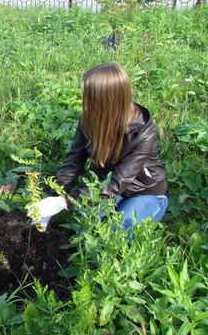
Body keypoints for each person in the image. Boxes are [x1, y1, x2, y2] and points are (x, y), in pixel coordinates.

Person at [29, 63, 168, 232]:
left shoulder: (143, 132)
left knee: (119, 230)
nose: (84, 104)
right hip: (106, 186)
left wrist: (64, 202)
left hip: (144, 192)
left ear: (108, 102)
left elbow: (116, 184)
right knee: (83, 218)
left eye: (89, 98)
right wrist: (56, 196)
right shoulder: (89, 118)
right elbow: (74, 162)